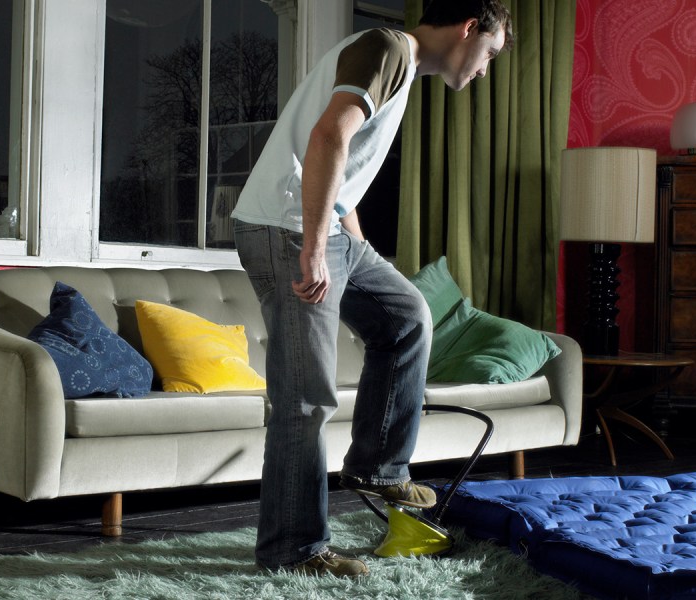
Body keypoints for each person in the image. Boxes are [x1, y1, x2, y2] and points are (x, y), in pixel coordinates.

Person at [231, 0, 513, 578]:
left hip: (321, 228)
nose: (485, 70)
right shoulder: (386, 48)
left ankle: (380, 466)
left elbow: (347, 172)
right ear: (468, 29)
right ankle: (294, 550)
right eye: (489, 54)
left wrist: (358, 251)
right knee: (305, 399)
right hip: (285, 229)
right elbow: (330, 135)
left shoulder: (398, 64)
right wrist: (312, 246)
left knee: (406, 315)